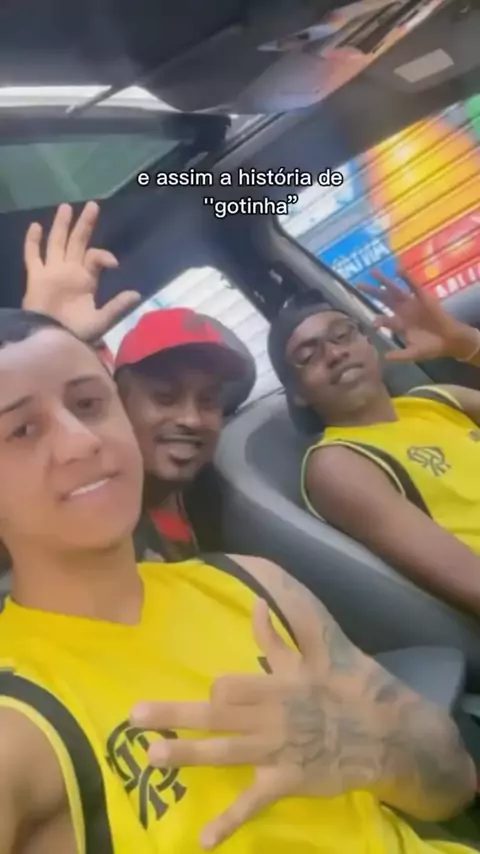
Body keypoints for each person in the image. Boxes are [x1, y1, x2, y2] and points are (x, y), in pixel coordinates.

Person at [0, 306, 475, 854]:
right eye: (22, 429)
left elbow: (454, 780)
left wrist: (371, 749)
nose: (81, 441)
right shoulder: (21, 721)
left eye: (87, 404)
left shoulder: (251, 583)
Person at [22, 202, 251, 560]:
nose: (191, 419)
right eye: (165, 397)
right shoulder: (79, 509)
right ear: (119, 404)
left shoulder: (215, 493)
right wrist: (38, 353)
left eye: (207, 401)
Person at [267, 272, 480, 618]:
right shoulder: (339, 462)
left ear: (370, 344)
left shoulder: (436, 400)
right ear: (298, 395)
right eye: (308, 355)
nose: (334, 353)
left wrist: (464, 343)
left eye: (342, 334)